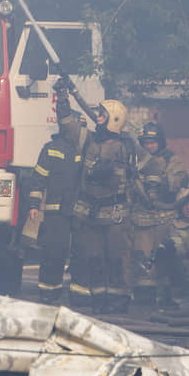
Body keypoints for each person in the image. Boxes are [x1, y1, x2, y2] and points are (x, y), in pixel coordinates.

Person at [57, 80, 136, 314]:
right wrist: (62, 99)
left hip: (115, 217)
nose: (97, 118)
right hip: (90, 214)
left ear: (113, 119)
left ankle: (119, 301)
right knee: (93, 259)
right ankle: (98, 301)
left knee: (116, 260)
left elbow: (144, 170)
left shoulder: (126, 147)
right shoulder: (88, 140)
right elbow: (68, 126)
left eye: (102, 115)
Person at [26, 109, 87, 305]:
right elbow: (38, 178)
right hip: (56, 211)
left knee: (82, 253)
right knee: (53, 252)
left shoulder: (87, 150)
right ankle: (48, 292)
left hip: (81, 211)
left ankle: (80, 295)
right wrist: (34, 204)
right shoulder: (51, 148)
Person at [130, 122, 188, 306]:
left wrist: (160, 179)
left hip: (165, 220)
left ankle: (169, 297)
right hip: (142, 219)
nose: (149, 146)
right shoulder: (136, 162)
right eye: (145, 143)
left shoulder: (172, 160)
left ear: (160, 142)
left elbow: (177, 180)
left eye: (152, 142)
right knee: (143, 261)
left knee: (165, 257)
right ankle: (143, 298)